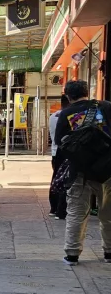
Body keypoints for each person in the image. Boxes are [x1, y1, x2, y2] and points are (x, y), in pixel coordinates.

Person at [53, 80, 111, 265]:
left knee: (77, 212)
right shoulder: (107, 106)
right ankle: (109, 252)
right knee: (108, 213)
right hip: (108, 168)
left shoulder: (66, 113)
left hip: (80, 170)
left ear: (68, 96)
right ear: (88, 92)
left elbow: (60, 143)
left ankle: (72, 254)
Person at [48, 95, 70, 219]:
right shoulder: (67, 115)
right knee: (64, 180)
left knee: (56, 179)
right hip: (64, 152)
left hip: (55, 152)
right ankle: (61, 210)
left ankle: (53, 208)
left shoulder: (53, 116)